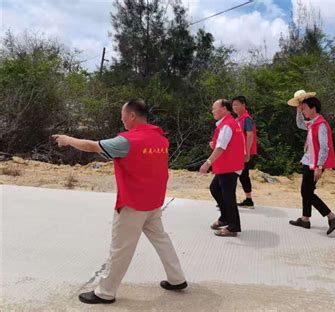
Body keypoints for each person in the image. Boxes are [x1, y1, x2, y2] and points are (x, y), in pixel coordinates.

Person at [52, 98, 187, 304]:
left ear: (132, 115)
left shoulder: (127, 141)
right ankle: (177, 279)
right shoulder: (161, 139)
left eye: (123, 115)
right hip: (153, 201)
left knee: (121, 249)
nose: (121, 119)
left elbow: (92, 146)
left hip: (133, 204)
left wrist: (67, 139)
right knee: (162, 240)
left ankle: (105, 292)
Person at [287, 90, 335, 235]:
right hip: (309, 161)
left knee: (307, 192)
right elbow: (300, 124)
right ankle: (305, 219)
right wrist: (298, 110)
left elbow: (325, 147)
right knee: (306, 191)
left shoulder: (321, 124)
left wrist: (319, 166)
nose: (303, 111)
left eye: (304, 108)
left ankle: (332, 216)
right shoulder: (312, 123)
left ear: (313, 108)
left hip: (315, 163)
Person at [200, 99, 245, 237]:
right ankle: (225, 218)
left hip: (229, 167)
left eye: (215, 108)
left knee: (228, 197)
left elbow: (221, 148)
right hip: (228, 166)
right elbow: (224, 143)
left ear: (224, 109)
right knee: (215, 189)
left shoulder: (227, 125)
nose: (212, 111)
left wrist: (207, 163)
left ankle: (233, 227)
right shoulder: (229, 123)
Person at [232, 96, 257, 209]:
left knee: (235, 175)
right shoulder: (238, 119)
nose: (234, 107)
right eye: (233, 105)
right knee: (242, 175)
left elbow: (250, 135)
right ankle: (248, 199)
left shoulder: (246, 119)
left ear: (243, 105)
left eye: (237, 104)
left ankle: (231, 200)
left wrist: (246, 153)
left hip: (243, 152)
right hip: (238, 152)